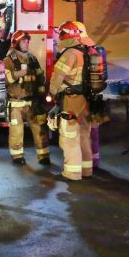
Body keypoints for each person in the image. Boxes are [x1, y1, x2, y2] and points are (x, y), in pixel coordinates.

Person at [48, 21, 96, 180]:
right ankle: (87, 170)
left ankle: (72, 173)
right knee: (84, 136)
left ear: (64, 36)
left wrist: (52, 93)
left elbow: (57, 78)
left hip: (71, 101)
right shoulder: (86, 52)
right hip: (86, 101)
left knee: (69, 138)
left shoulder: (70, 54)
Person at [4, 30, 49, 166]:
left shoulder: (32, 59)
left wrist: (41, 94)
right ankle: (17, 156)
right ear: (16, 43)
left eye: (28, 41)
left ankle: (43, 155)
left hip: (32, 102)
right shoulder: (8, 60)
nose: (27, 43)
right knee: (16, 131)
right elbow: (5, 79)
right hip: (15, 102)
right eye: (23, 41)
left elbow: (40, 77)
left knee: (39, 129)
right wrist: (18, 74)